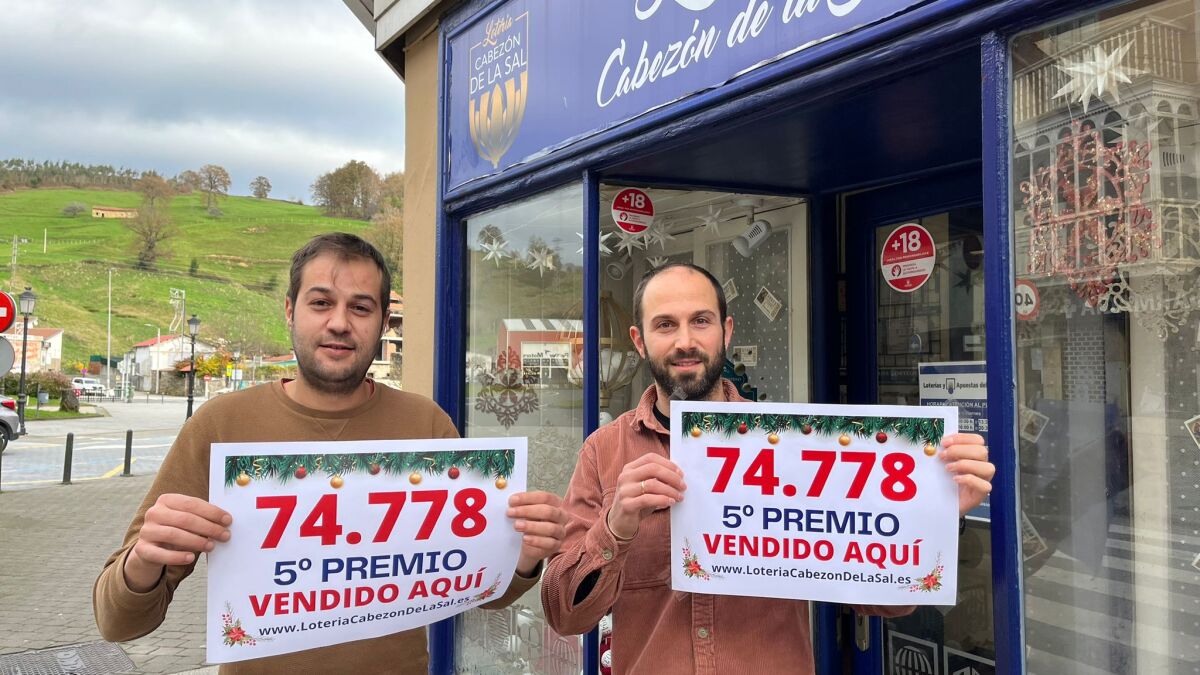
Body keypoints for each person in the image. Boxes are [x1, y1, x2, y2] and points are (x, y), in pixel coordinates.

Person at [95, 233, 568, 674]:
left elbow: (483, 591)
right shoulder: (220, 426)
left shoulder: (426, 426)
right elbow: (119, 624)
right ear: (290, 310)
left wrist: (523, 556)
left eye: (360, 308)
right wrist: (144, 561)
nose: (339, 323)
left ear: (384, 323)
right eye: (321, 302)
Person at [541, 263, 996, 674]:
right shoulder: (604, 451)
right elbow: (564, 615)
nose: (685, 341)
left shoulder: (794, 448)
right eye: (665, 325)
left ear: (726, 332)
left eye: (701, 321)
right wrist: (614, 529)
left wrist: (936, 516)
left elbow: (883, 602)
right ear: (639, 340)